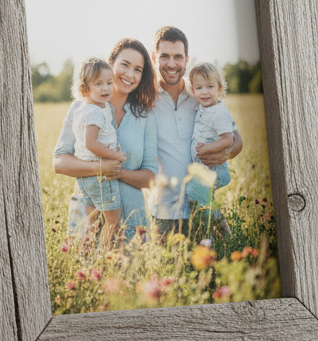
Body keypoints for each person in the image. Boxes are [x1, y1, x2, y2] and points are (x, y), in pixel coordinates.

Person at [53, 39, 159, 239]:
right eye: (125, 65)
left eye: (138, 69)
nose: (130, 74)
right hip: (86, 219)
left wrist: (119, 173)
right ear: (111, 64)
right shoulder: (80, 108)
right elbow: (59, 163)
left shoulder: (145, 116)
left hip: (131, 224)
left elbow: (151, 177)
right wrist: (99, 168)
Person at [148, 26, 242, 237]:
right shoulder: (145, 99)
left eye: (178, 57)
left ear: (187, 59)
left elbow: (237, 140)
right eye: (164, 56)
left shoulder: (201, 91)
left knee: (212, 258)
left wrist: (224, 154)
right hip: (163, 208)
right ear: (154, 57)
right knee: (168, 264)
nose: (171, 64)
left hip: (199, 206)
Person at [71, 57, 127, 249]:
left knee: (92, 221)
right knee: (113, 219)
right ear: (85, 88)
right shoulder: (94, 111)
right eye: (99, 84)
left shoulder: (88, 108)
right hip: (101, 176)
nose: (106, 88)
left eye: (109, 83)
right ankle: (108, 254)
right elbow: (91, 143)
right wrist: (115, 156)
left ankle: (87, 255)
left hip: (87, 178)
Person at [184, 61, 233, 236]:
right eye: (198, 88)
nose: (204, 92)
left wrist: (208, 149)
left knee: (195, 194)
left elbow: (228, 139)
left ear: (219, 88)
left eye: (210, 86)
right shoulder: (204, 107)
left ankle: (207, 238)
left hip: (215, 170)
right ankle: (226, 236)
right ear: (193, 90)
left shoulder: (218, 112)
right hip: (205, 170)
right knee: (207, 203)